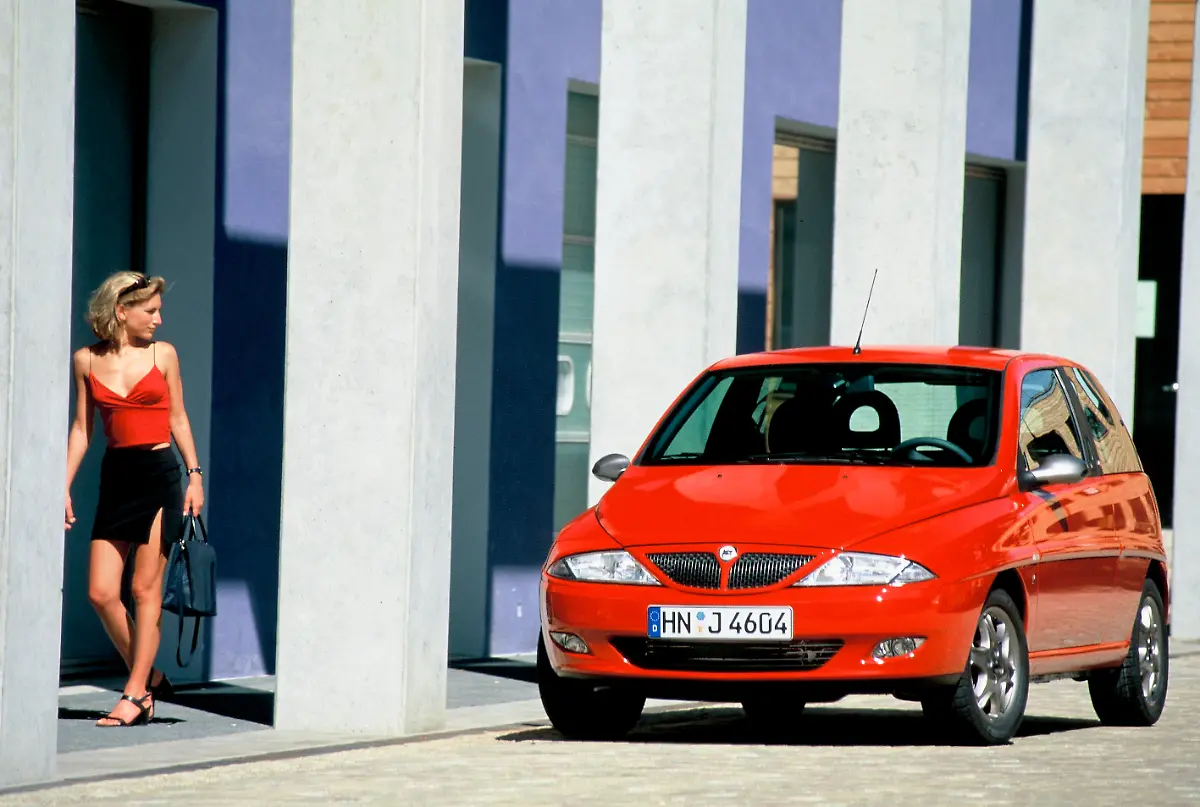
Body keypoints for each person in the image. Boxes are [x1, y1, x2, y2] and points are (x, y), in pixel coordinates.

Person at [64, 271, 205, 727]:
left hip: (160, 474)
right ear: (121, 311)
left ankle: (135, 693)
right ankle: (148, 676)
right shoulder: (86, 360)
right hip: (117, 477)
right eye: (151, 311)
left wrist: (195, 475)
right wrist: (62, 486)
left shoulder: (164, 355)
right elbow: (83, 430)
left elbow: (178, 418)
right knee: (101, 592)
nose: (159, 320)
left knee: (145, 590)